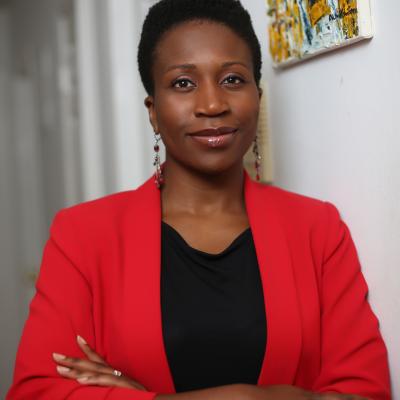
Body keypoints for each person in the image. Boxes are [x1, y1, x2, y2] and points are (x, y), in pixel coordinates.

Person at [7, 0, 391, 399]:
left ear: (256, 97)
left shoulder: (318, 230)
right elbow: (36, 392)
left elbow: (365, 391)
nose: (212, 104)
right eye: (183, 84)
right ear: (153, 112)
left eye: (232, 80)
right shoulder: (83, 236)